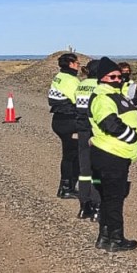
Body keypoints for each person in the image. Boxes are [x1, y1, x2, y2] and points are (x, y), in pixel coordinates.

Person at [87, 57, 137, 252]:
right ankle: (117, 239)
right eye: (113, 76)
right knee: (114, 199)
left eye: (120, 76)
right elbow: (109, 123)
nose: (118, 79)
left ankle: (105, 237)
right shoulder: (102, 97)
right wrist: (132, 136)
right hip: (111, 155)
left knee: (108, 198)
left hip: (115, 155)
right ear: (103, 78)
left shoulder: (114, 93)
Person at [47, 52, 81, 199]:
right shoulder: (71, 80)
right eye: (77, 63)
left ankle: (66, 187)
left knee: (69, 155)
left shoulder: (59, 77)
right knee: (72, 156)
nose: (79, 66)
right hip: (69, 121)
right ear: (71, 64)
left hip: (59, 120)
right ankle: (66, 188)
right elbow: (79, 101)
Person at [74, 60, 101, 221]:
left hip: (82, 129)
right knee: (97, 170)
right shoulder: (99, 87)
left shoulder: (81, 85)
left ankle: (84, 207)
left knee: (84, 170)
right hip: (96, 130)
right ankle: (97, 207)